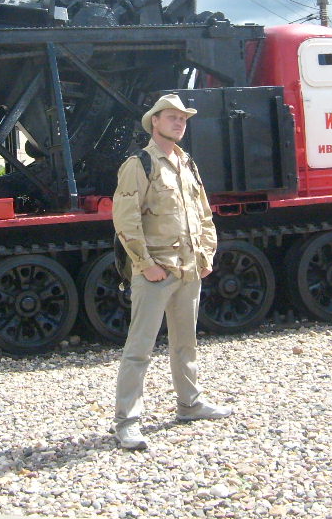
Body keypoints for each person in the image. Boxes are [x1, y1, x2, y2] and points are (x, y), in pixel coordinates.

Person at [111, 93, 232, 450]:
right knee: (139, 349)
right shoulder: (140, 163)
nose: (179, 123)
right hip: (157, 271)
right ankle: (127, 422)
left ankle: (189, 404)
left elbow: (204, 213)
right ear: (155, 122)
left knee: (185, 343)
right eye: (171, 117)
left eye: (183, 118)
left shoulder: (187, 163)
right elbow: (126, 219)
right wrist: (145, 264)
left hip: (188, 269)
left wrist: (206, 254)